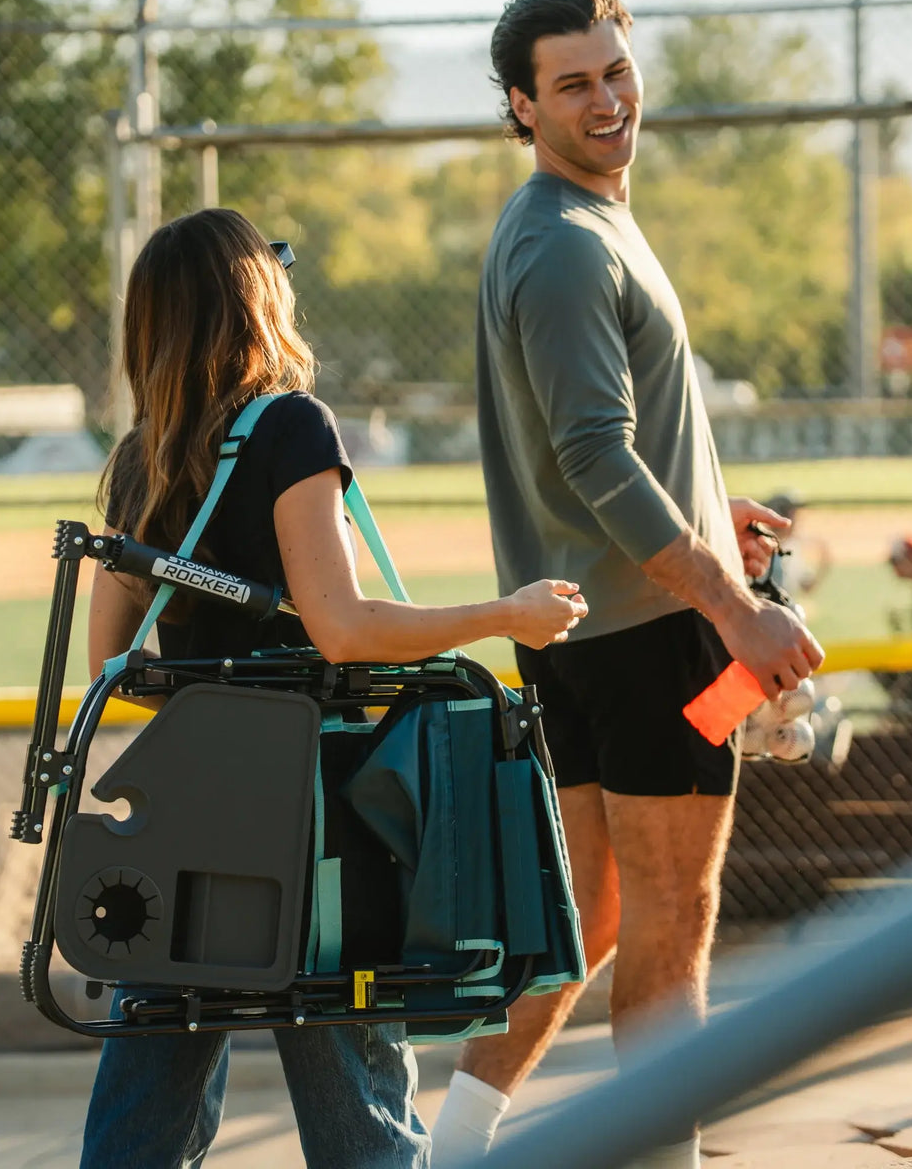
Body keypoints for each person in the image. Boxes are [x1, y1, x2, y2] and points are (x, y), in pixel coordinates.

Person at [80, 207, 589, 1169]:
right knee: (355, 1098)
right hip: (306, 814)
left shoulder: (144, 456)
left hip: (186, 800)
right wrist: (503, 613)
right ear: (255, 300)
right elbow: (343, 628)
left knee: (144, 1116)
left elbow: (117, 667)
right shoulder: (290, 427)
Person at [429, 0, 823, 1168]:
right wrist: (735, 608)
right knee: (674, 923)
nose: (606, 101)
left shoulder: (577, 218)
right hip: (650, 634)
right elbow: (595, 457)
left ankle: (446, 1150)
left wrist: (714, 510)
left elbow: (604, 446)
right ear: (522, 103)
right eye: (571, 84)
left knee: (591, 920)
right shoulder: (558, 239)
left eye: (614, 72)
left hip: (601, 628)